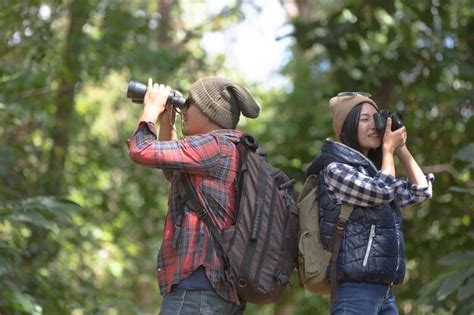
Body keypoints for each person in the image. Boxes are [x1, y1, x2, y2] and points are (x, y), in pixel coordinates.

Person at [127, 77, 260, 314]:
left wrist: (150, 110)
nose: (184, 108)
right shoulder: (230, 147)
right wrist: (168, 124)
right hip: (219, 290)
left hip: (197, 289)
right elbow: (176, 175)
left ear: (210, 111)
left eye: (190, 103)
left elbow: (140, 150)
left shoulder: (214, 145)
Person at [306, 92, 434, 314]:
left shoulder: (374, 172)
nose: (374, 125)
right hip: (355, 291)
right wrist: (387, 149)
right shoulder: (335, 169)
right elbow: (382, 191)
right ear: (346, 127)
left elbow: (421, 191)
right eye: (364, 119)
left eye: (376, 119)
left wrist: (400, 147)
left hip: (384, 291)